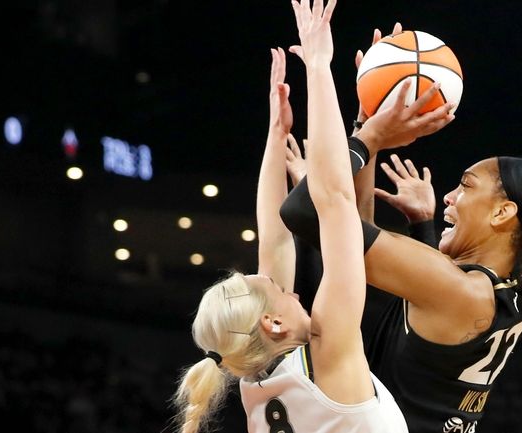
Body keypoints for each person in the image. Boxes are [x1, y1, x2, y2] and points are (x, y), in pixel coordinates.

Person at [279, 42, 522, 433]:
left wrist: (372, 138)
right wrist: (367, 125)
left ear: (503, 212)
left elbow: (305, 212)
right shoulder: (498, 290)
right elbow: (349, 245)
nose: (449, 195)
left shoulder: (458, 290)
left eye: (466, 186)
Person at [173, 2, 415, 432]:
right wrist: (319, 68)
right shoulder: (329, 355)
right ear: (274, 322)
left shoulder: (255, 379)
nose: (294, 291)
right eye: (276, 289)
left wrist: (276, 132)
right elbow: (335, 198)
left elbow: (276, 240)